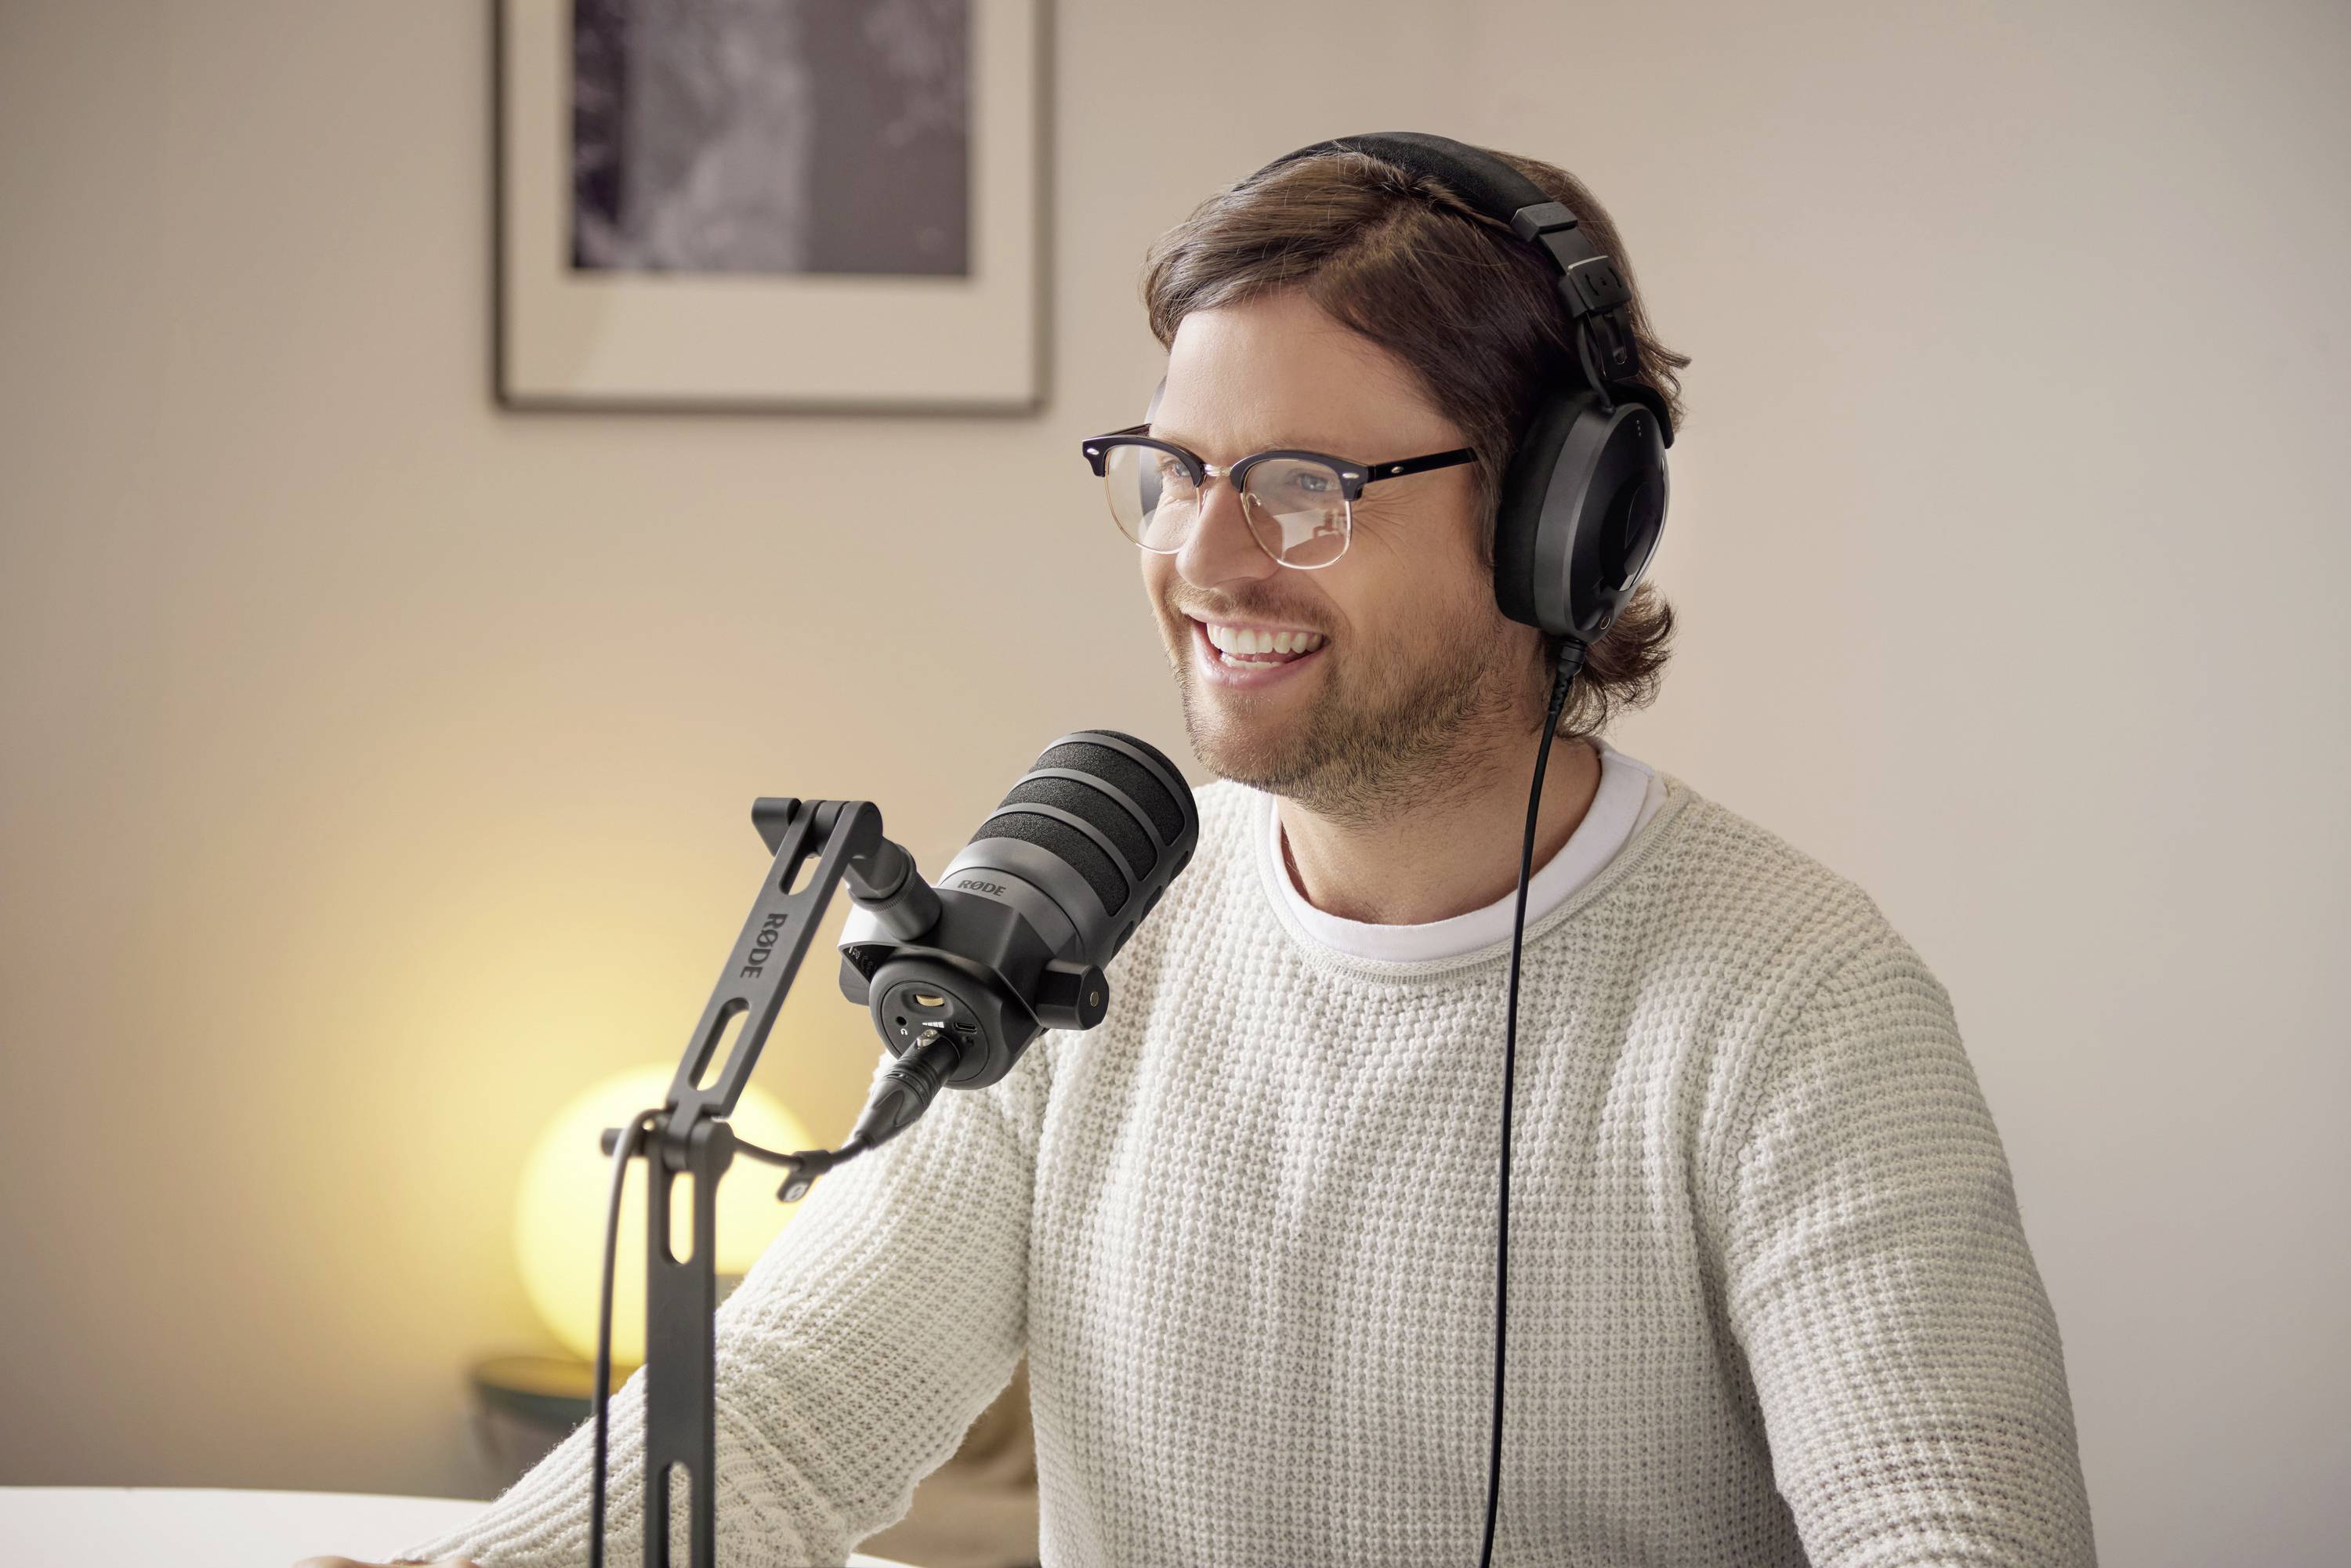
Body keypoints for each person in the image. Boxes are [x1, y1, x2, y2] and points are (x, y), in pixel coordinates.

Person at [313, 137, 2096, 1568]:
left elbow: (1948, 1537)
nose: (1204, 557)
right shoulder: (1083, 931)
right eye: (1176, 468)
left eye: (1304, 487)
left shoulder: (1802, 1011)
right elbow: (781, 1412)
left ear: (1562, 524)